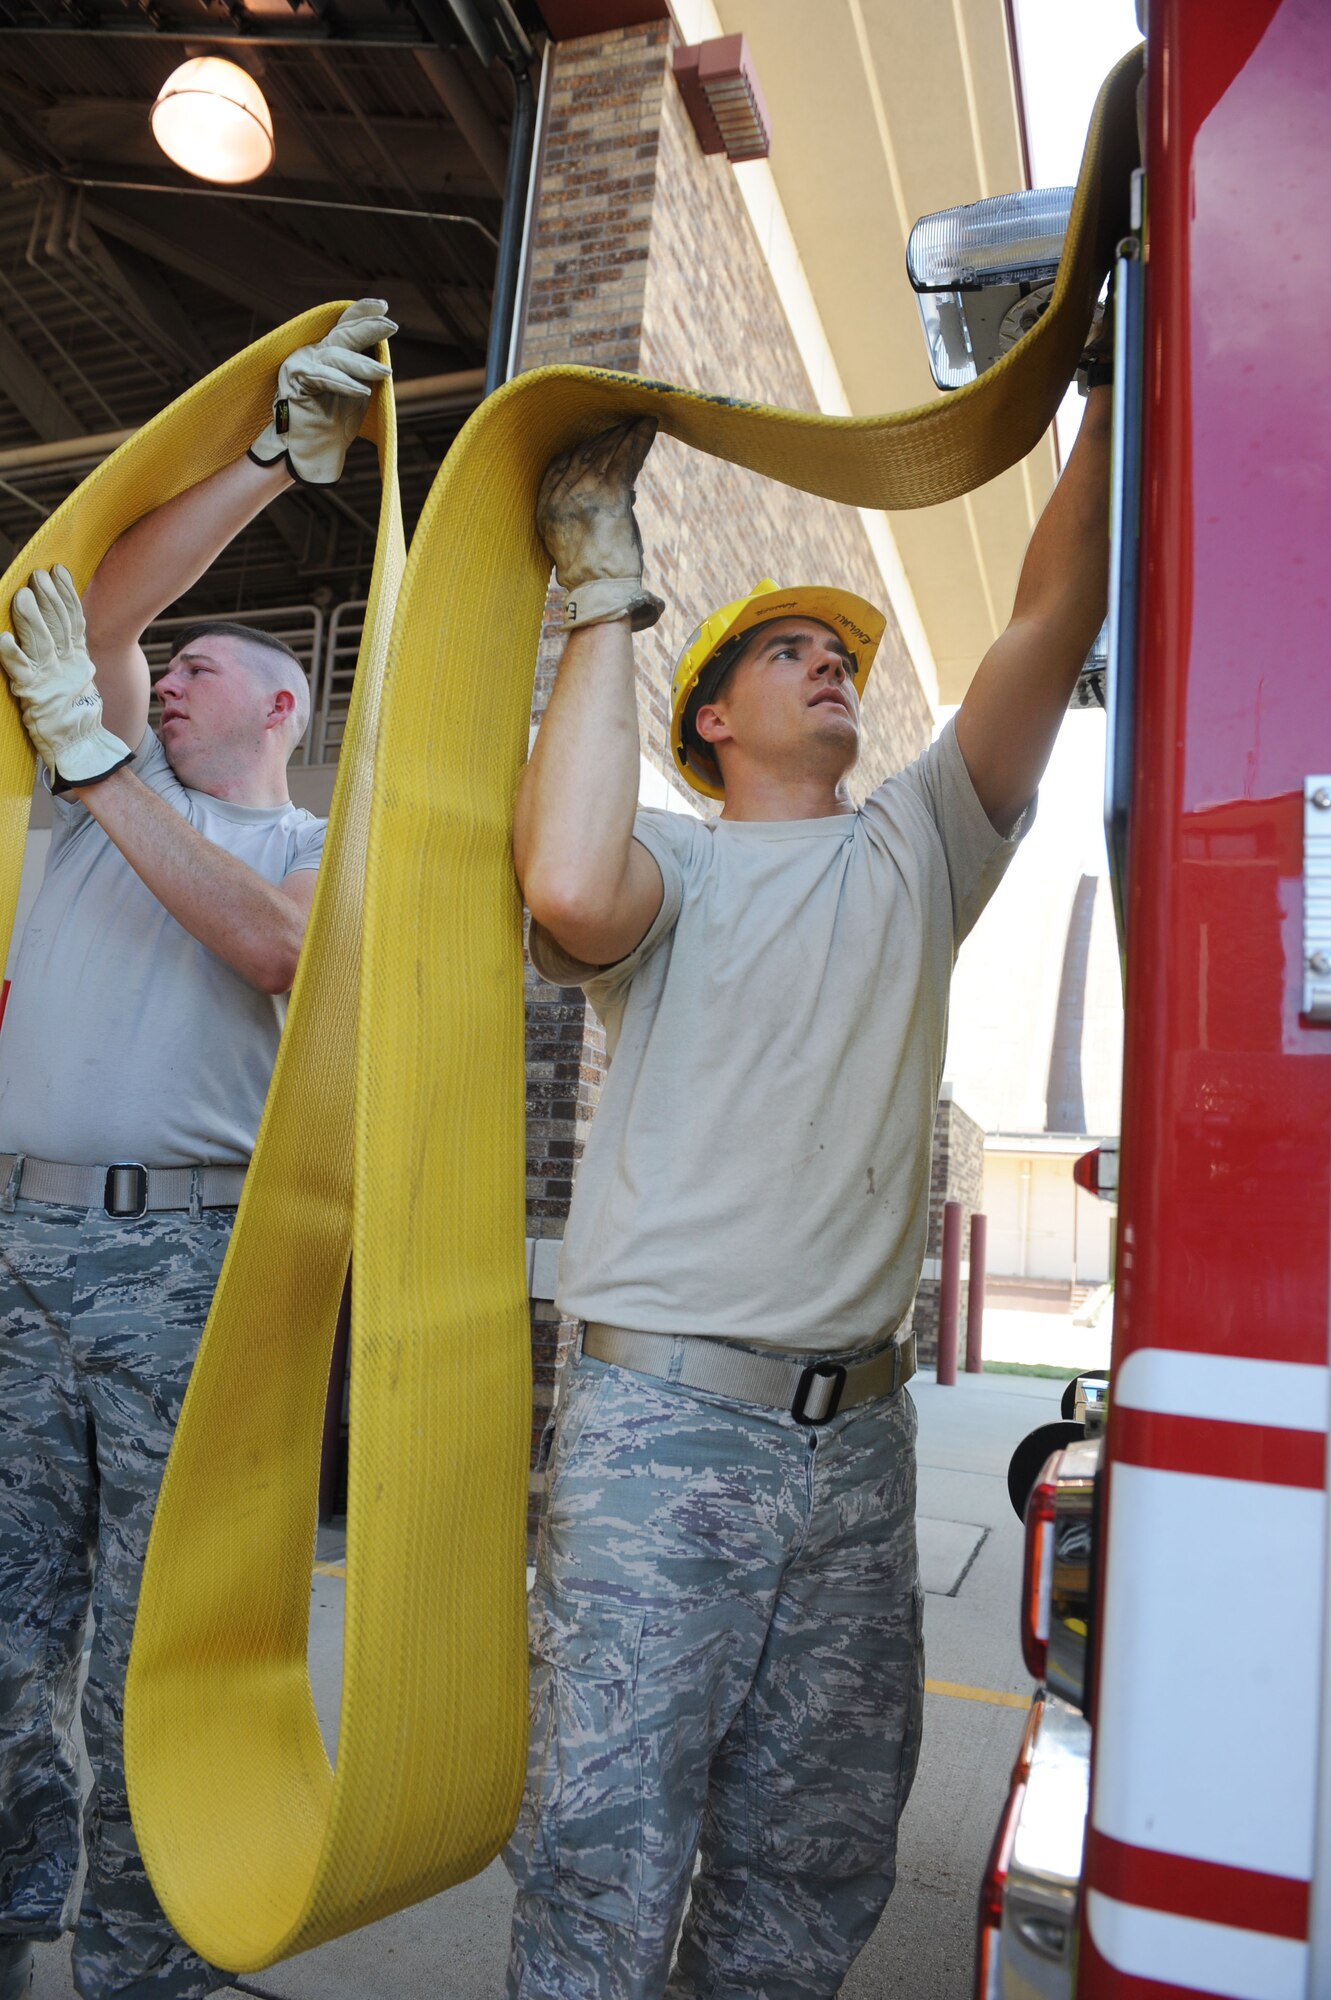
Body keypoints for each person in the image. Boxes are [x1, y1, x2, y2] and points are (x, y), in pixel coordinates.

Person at [505, 379, 1111, 1998]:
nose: (835, 664)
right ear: (709, 715)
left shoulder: (918, 847)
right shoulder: (673, 863)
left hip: (860, 1445)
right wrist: (604, 596)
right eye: (792, 651)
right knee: (603, 1848)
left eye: (845, 654)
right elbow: (562, 881)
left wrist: (1112, 383)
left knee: (814, 1851)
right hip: (666, 1432)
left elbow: (1056, 614)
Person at [0, 298, 394, 2000]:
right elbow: (93, 606)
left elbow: (280, 951)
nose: (162, 676)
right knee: (9, 1634)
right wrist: (266, 461)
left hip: (192, 1270)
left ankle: (147, 1958)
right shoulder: (73, 796)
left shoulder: (324, 846)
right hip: (20, 1254)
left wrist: (99, 765)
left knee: (157, 1654)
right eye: (155, 670)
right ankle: (17, 1905)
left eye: (201, 665)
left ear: (287, 699)